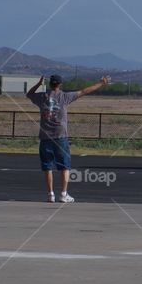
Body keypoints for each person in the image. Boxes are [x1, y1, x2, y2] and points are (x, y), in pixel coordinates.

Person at [26, 74, 110, 203]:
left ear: (50, 84)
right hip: (60, 136)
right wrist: (101, 83)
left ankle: (50, 194)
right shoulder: (65, 97)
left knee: (47, 167)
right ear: (60, 84)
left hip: (45, 137)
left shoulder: (42, 97)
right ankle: (63, 194)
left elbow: (29, 94)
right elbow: (84, 91)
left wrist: (38, 84)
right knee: (65, 166)